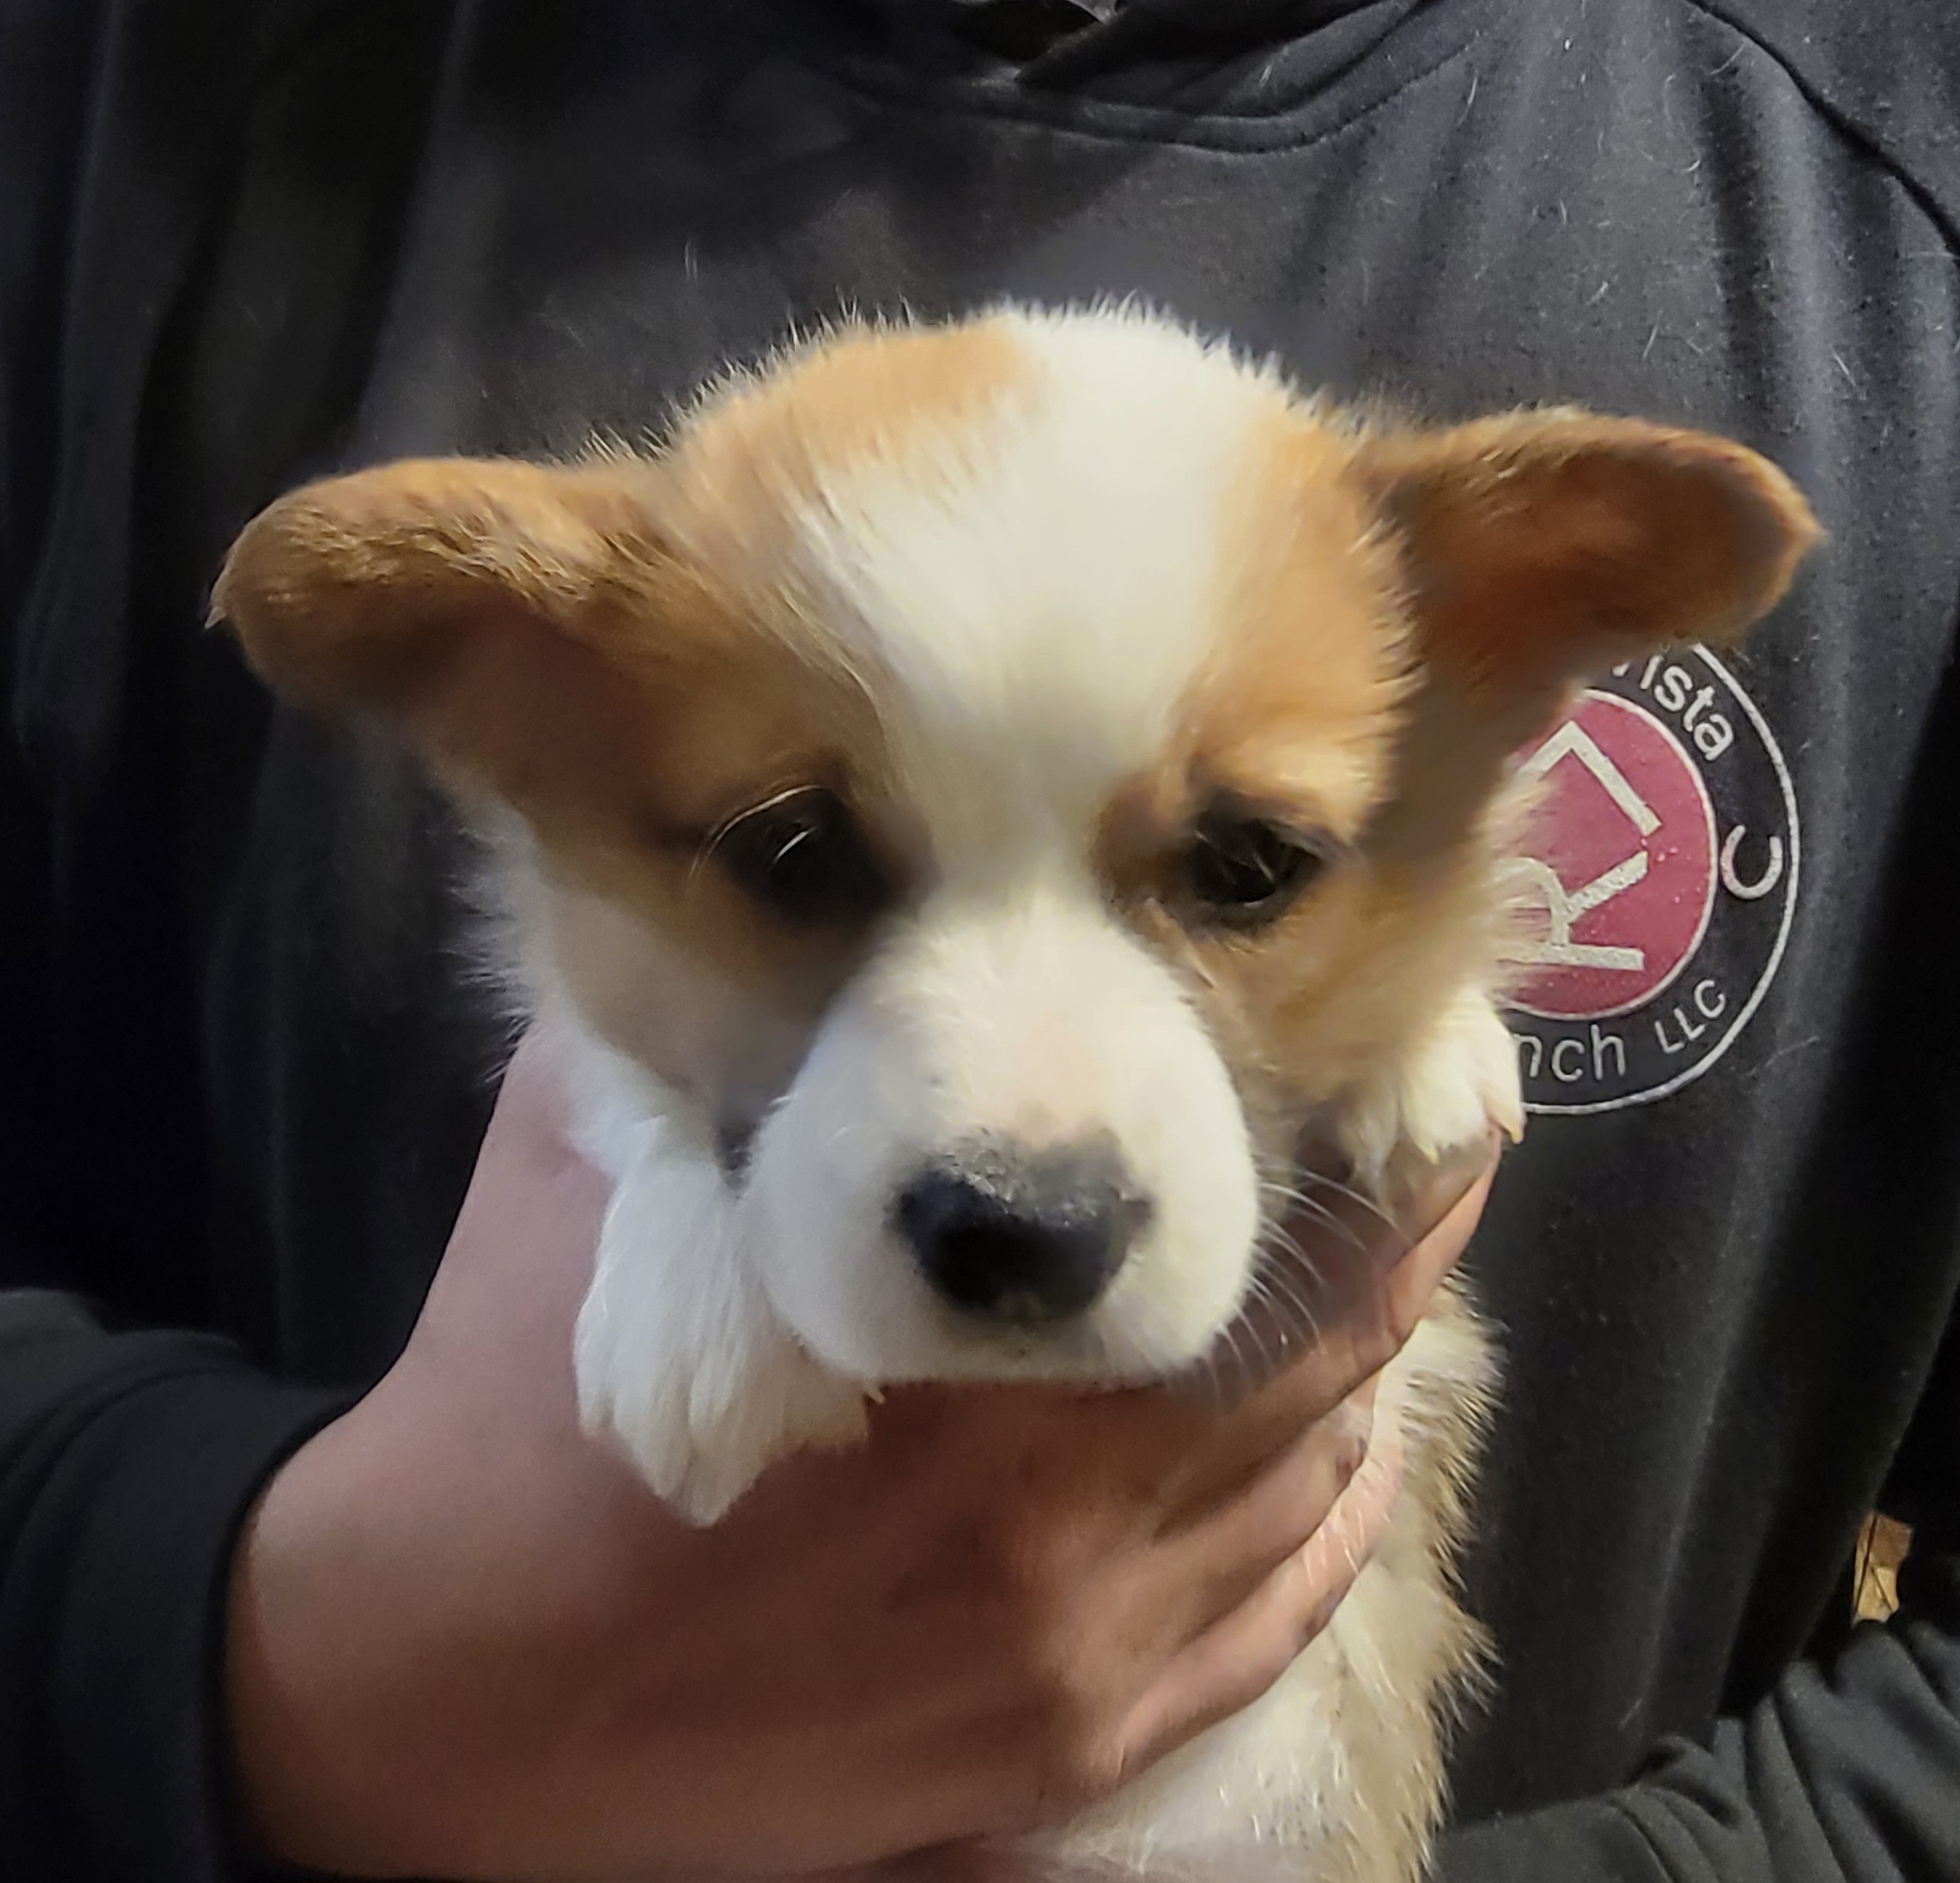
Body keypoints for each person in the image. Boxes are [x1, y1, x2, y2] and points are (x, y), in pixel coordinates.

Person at [2, 2, 1955, 1879]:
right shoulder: (113, 91)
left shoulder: (1883, 160)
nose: (1020, 1110)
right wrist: (276, 1653)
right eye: (801, 859)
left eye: (1241, 868)